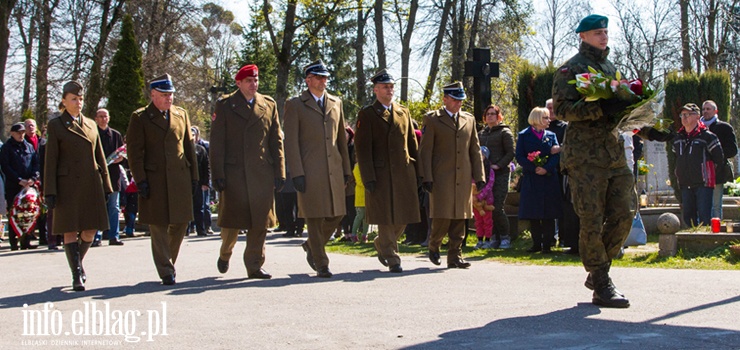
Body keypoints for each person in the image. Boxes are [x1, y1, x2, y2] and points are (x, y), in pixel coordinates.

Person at [552, 14, 634, 308]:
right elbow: (561, 110)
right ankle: (601, 281)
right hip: (585, 157)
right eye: (598, 32)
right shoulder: (569, 69)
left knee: (626, 212)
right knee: (591, 219)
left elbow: (621, 108)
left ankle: (599, 267)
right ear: (583, 36)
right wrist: (599, 107)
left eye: (605, 32)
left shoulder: (610, 67)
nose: (604, 36)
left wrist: (647, 125)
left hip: (612, 153)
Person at [210, 64, 285, 279]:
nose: (254, 84)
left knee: (260, 222)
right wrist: (218, 174)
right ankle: (226, 252)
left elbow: (275, 141)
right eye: (249, 81)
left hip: (261, 172)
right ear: (239, 83)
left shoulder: (268, 104)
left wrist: (280, 172)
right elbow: (217, 143)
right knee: (232, 223)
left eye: (256, 80)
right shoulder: (225, 105)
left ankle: (254, 265)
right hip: (234, 173)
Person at [127, 74, 198, 286]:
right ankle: (166, 270)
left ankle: (169, 262)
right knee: (158, 225)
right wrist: (140, 180)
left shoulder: (180, 114)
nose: (169, 99)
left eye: (171, 95)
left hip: (179, 177)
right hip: (155, 179)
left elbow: (189, 148)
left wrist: (194, 176)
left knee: (180, 223)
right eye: (165, 95)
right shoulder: (140, 117)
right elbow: (135, 152)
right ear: (153, 95)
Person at [284, 59, 351, 278]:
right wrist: (297, 172)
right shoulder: (295, 104)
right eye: (319, 77)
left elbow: (341, 139)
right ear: (308, 80)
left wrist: (346, 170)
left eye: (325, 78)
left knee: (337, 213)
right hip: (310, 170)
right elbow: (291, 142)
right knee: (313, 217)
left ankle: (312, 246)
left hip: (334, 168)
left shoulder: (336, 102)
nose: (323, 81)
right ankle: (322, 263)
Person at [44, 81, 113, 292]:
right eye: (74, 99)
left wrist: (107, 185)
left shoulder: (91, 124)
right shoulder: (56, 125)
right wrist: (49, 191)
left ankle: (78, 263)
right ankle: (76, 274)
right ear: (64, 101)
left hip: (90, 183)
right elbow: (51, 161)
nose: (78, 102)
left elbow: (100, 156)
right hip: (67, 185)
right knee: (70, 230)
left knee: (91, 230)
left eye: (81, 99)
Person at [354, 69, 421, 273]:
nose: (389, 90)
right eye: (385, 87)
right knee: (385, 217)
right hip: (380, 175)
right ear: (376, 90)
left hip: (403, 173)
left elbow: (412, 143)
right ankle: (393, 258)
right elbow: (362, 150)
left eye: (391, 86)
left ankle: (382, 243)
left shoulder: (403, 112)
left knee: (403, 216)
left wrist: (419, 171)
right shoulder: (367, 114)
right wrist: (368, 177)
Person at [419, 81, 485, 269]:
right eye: (455, 100)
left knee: (460, 217)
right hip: (441, 177)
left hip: (462, 177)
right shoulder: (432, 119)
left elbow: (475, 149)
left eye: (461, 101)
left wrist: (480, 176)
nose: (458, 104)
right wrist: (427, 177)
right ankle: (434, 245)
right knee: (442, 216)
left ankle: (455, 256)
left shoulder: (469, 119)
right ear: (445, 99)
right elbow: (426, 151)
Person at [515, 107, 562, 253]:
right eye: (545, 118)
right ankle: (536, 244)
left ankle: (547, 245)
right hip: (532, 178)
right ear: (536, 119)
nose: (549, 121)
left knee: (548, 213)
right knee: (533, 213)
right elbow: (520, 156)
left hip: (548, 178)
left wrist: (546, 168)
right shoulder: (524, 135)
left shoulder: (551, 135)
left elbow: (556, 155)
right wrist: (533, 167)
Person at [674, 103, 724, 227]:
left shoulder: (707, 136)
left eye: (688, 114)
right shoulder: (678, 138)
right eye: (682, 115)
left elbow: (719, 159)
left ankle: (705, 244)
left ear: (697, 116)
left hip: (703, 184)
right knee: (688, 217)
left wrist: (706, 173)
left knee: (704, 217)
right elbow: (677, 157)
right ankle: (689, 244)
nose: (684, 118)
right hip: (685, 183)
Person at [477, 104, 515, 249]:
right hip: (484, 176)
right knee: (485, 208)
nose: (490, 116)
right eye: (488, 114)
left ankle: (505, 237)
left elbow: (511, 153)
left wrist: (498, 165)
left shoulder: (505, 132)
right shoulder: (481, 134)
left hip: (500, 175)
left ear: (499, 116)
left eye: (493, 114)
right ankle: (492, 237)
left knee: (497, 207)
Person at [0, 122, 40, 250]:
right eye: (18, 132)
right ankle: (14, 242)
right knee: (14, 213)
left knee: (28, 213)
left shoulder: (28, 146)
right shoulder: (7, 148)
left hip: (28, 186)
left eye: (23, 132)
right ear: (12, 133)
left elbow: (36, 164)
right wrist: (19, 180)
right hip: (14, 186)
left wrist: (33, 178)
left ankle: (26, 241)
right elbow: (5, 167)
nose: (21, 135)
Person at [93, 108, 125, 246]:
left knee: (114, 207)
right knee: (98, 207)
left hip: (113, 176)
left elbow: (123, 155)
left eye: (105, 116)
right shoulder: (93, 134)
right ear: (95, 118)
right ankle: (96, 237)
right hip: (97, 175)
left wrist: (120, 159)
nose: (103, 119)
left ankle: (114, 236)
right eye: (100, 116)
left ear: (109, 118)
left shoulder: (116, 135)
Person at [701, 100, 737, 219]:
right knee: (702, 204)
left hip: (717, 171)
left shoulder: (724, 127)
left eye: (708, 109)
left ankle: (716, 232)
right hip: (700, 172)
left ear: (715, 111)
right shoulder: (697, 129)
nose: (705, 111)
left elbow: (732, 150)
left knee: (715, 205)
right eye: (704, 109)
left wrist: (716, 156)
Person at [472, 147, 495, 249]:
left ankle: (488, 240)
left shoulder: (489, 170)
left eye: (482, 155)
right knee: (478, 221)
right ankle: (480, 239)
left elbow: (490, 184)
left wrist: (481, 195)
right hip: (475, 201)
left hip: (487, 200)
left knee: (487, 221)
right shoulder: (473, 169)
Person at [190, 126, 210, 237]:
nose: (191, 137)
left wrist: (205, 183)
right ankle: (187, 229)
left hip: (198, 183)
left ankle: (201, 229)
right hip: (185, 183)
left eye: (193, 135)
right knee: (186, 207)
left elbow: (206, 167)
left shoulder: (200, 150)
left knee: (199, 207)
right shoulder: (182, 149)